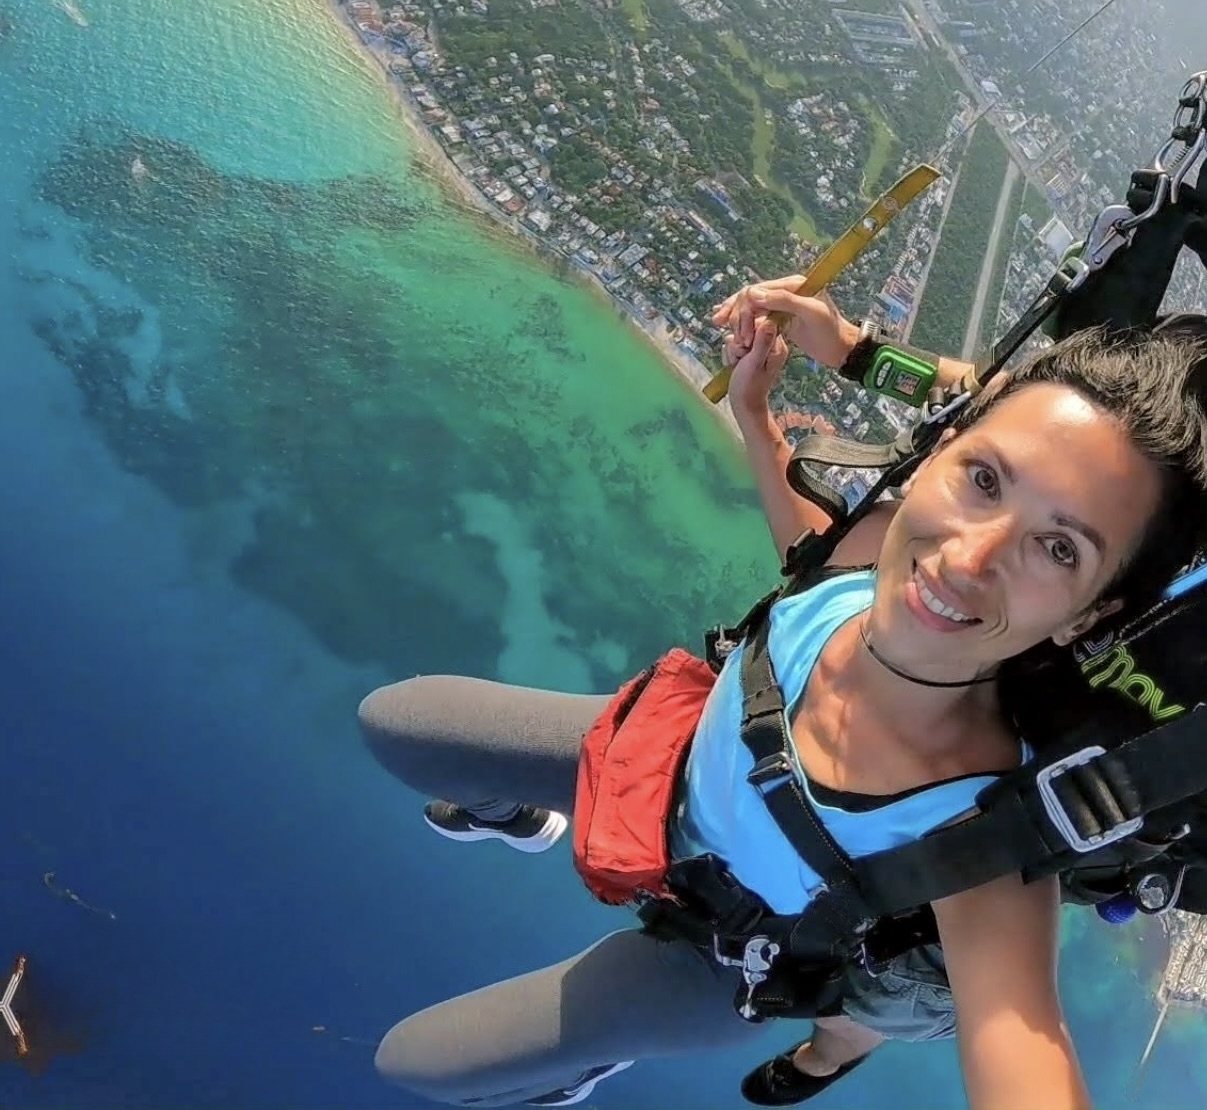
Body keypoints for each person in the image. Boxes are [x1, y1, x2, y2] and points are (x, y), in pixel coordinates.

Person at [357, 305, 1207, 1109]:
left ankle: (582, 1065)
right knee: (398, 725)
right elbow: (806, 550)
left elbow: (1021, 1046)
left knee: (424, 1063)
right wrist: (757, 413)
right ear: (936, 457)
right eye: (982, 480)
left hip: (721, 954)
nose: (966, 559)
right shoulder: (865, 554)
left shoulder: (979, 839)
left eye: (1056, 549)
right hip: (664, 764)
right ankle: (517, 816)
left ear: (1090, 614)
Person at [708, 279, 1207, 1106]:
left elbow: (1016, 1033)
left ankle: (833, 1053)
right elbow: (1029, 426)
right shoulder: (1153, 461)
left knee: (890, 986)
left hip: (1015, 824)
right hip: (962, 699)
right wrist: (855, 353)